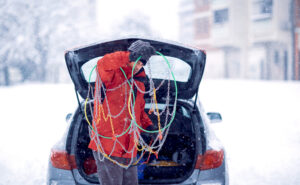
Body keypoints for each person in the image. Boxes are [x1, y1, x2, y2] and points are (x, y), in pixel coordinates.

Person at [88, 40, 156, 185]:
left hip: (129, 147)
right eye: (137, 62)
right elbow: (103, 63)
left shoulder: (139, 82)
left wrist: (148, 126)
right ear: (131, 57)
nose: (139, 67)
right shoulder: (111, 74)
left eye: (142, 64)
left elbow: (138, 111)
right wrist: (128, 56)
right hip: (108, 146)